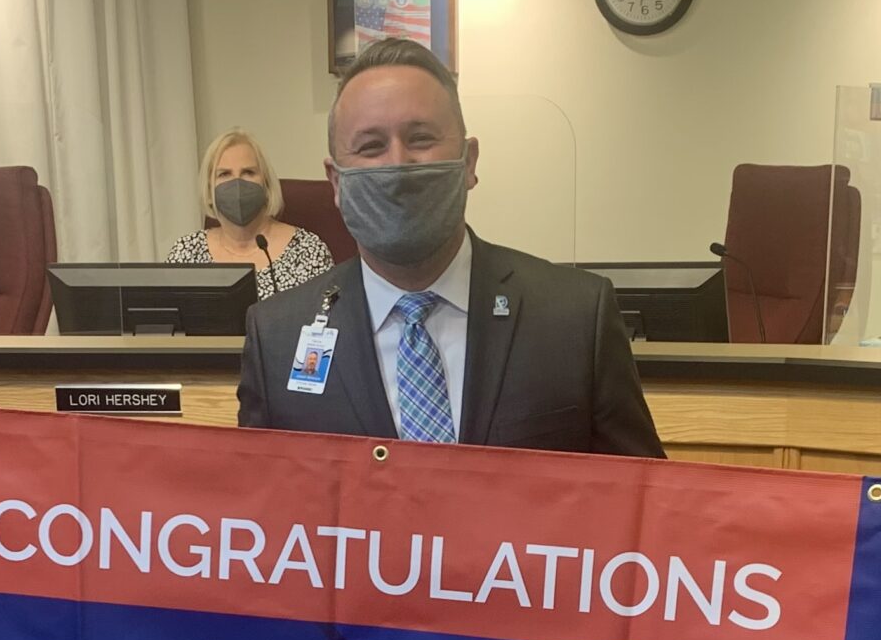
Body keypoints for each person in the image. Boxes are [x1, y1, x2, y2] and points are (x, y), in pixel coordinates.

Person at [236, 38, 663, 456]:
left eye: (421, 138)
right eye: (371, 147)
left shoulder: (576, 318)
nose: (398, 165)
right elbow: (261, 513)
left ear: (469, 162)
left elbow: (645, 505)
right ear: (336, 182)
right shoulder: (276, 337)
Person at [165, 129, 336, 297]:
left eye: (248, 172)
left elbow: (330, 318)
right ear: (209, 191)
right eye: (224, 174)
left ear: (266, 185)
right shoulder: (186, 253)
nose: (237, 183)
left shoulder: (307, 250)